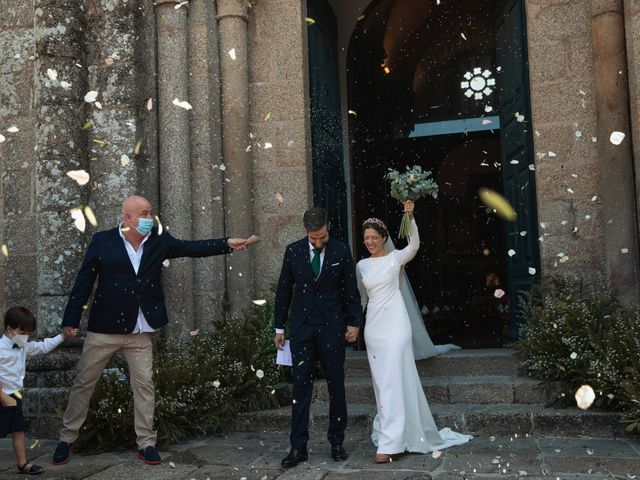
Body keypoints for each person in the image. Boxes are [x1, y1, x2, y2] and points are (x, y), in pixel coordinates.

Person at [53, 195, 249, 466]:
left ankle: (146, 444)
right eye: (144, 213)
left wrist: (226, 244)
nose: (149, 217)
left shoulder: (159, 240)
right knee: (84, 382)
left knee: (144, 385)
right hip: (105, 328)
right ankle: (67, 438)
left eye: (150, 212)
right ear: (128, 217)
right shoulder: (103, 241)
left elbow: (190, 248)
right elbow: (84, 282)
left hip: (140, 329)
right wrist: (71, 320)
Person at [356, 200, 472, 463]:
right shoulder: (362, 266)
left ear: (385, 238)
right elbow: (362, 300)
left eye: (374, 237)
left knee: (393, 381)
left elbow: (415, 245)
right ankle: (399, 432)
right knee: (382, 383)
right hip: (374, 328)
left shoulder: (396, 259)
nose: (370, 242)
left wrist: (410, 217)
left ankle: (390, 443)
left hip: (396, 325)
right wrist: (354, 327)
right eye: (366, 238)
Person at [274, 207, 362, 468]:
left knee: (336, 386)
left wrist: (354, 323)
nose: (318, 242)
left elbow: (350, 291)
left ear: (329, 226)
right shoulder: (293, 251)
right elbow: (283, 291)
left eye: (322, 237)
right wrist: (279, 328)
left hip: (332, 330)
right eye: (313, 238)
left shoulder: (341, 250)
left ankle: (337, 441)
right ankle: (298, 447)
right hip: (302, 331)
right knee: (300, 389)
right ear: (306, 233)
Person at [0, 306, 78, 475]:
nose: (25, 337)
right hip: (2, 396)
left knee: (18, 430)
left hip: (16, 395)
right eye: (23, 332)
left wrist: (63, 336)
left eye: (28, 333)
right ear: (9, 329)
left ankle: (22, 464)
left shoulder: (22, 346)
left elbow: (43, 346)